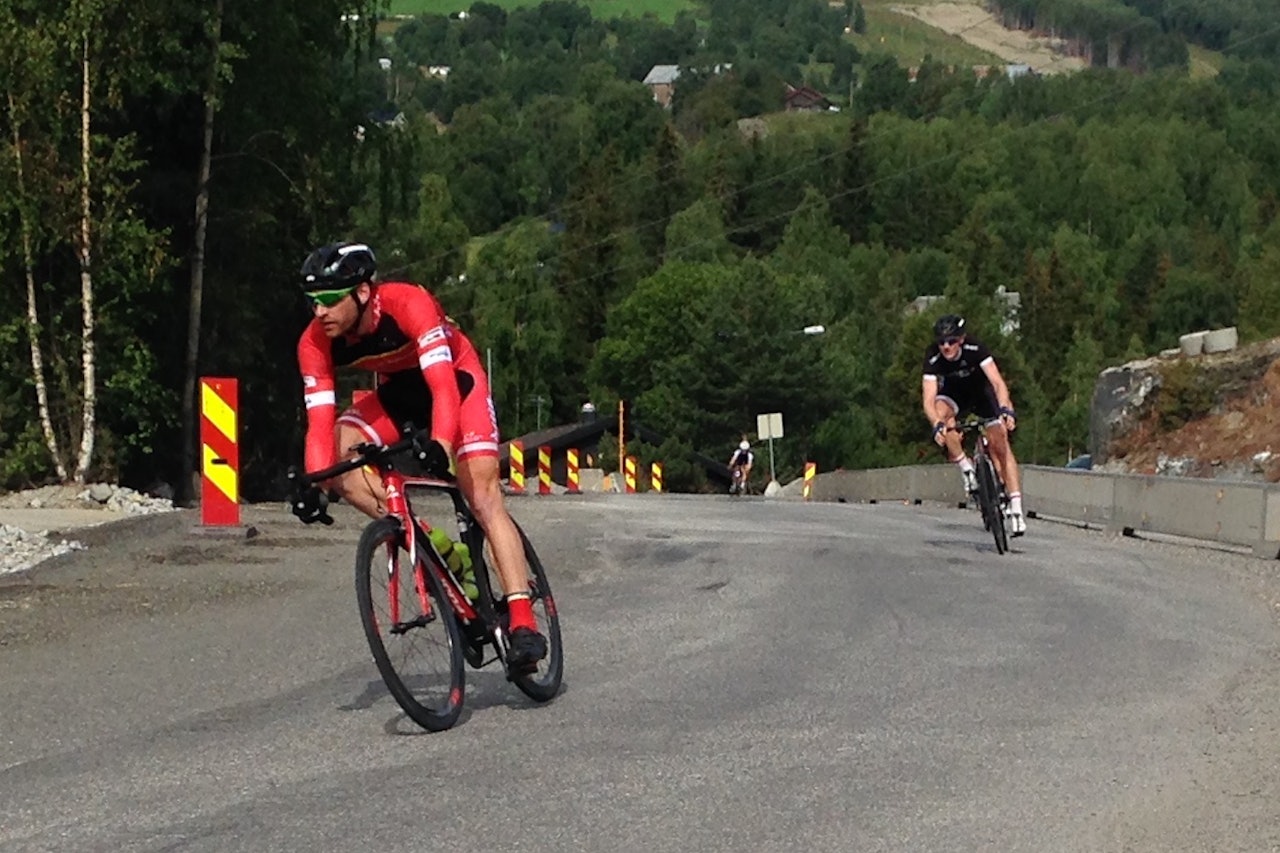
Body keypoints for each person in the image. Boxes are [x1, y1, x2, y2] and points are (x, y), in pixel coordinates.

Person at [289, 241, 547, 668]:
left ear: (364, 292)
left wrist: (441, 446)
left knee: (481, 496)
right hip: (400, 395)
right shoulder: (314, 343)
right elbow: (319, 423)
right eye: (313, 301)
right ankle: (429, 542)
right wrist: (317, 483)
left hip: (455, 383)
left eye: (331, 300)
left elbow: (444, 387)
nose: (320, 312)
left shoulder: (409, 302)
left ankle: (522, 620)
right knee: (342, 456)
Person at [921, 314, 1026, 536]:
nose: (946, 347)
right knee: (942, 415)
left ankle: (1016, 507)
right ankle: (966, 468)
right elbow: (928, 400)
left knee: (1001, 444)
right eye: (941, 342)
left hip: (981, 394)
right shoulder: (932, 358)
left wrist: (1006, 409)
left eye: (951, 341)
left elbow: (998, 383)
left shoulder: (975, 348)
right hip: (954, 395)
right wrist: (937, 424)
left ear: (961, 339)